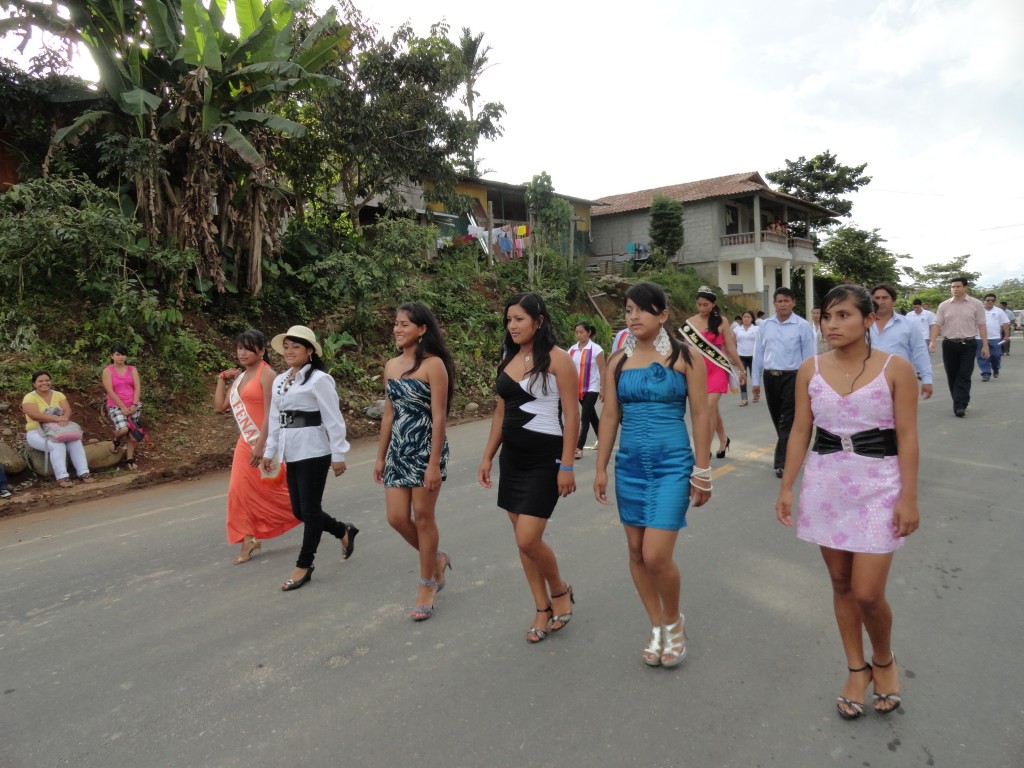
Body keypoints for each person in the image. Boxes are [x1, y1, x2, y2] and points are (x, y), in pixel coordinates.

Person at [776, 284, 919, 720]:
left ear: (867, 319)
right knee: (840, 584)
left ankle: (884, 660)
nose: (833, 325)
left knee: (868, 593)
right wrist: (787, 485)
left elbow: (909, 436)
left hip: (880, 485)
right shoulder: (809, 369)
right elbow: (801, 429)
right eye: (827, 318)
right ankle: (856, 669)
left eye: (843, 316)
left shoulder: (896, 369)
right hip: (826, 484)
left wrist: (909, 497)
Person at [594, 282, 712, 667]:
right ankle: (657, 626)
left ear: (662, 315)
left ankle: (674, 620)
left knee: (656, 555)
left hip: (672, 464)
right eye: (628, 310)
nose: (633, 317)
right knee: (634, 551)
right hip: (629, 465)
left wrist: (703, 469)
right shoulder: (616, 361)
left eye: (642, 310)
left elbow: (700, 414)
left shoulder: (686, 357)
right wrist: (600, 468)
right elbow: (610, 415)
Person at [478, 293, 579, 644]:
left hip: (544, 460)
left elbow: (572, 415)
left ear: (538, 321)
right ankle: (541, 607)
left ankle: (560, 590)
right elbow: (501, 413)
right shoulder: (508, 358)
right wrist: (489, 455)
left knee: (528, 538)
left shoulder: (558, 359)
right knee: (524, 544)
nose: (512, 325)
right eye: (509, 320)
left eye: (519, 319)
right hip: (513, 462)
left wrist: (567, 464)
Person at [262, 325, 358, 592]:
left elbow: (333, 419)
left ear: (310, 351)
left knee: (311, 510)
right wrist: (270, 451)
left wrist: (338, 454)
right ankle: (342, 531)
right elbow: (274, 419)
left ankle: (304, 564)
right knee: (299, 511)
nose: (290, 351)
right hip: (291, 449)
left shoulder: (319, 379)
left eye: (296, 346)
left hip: (315, 450)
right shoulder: (280, 380)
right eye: (287, 347)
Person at [374, 303, 454, 621]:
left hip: (425, 450)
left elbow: (439, 416)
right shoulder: (392, 366)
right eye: (395, 324)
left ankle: (426, 586)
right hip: (399, 450)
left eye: (404, 324)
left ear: (421, 329)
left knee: (423, 517)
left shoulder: (434, 365)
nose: (397, 329)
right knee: (396, 517)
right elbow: (389, 414)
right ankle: (436, 559)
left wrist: (434, 463)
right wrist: (380, 456)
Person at [213, 329, 300, 564]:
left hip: (265, 442)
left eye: (248, 348)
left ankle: (316, 516)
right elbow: (220, 406)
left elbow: (273, 413)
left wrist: (262, 446)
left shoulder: (267, 375)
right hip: (245, 444)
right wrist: (222, 380)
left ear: (261, 351)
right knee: (238, 492)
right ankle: (248, 538)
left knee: (276, 491)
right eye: (239, 348)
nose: (242, 353)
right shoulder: (241, 377)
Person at [751, 288, 816, 477]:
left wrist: (809, 383)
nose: (783, 304)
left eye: (786, 301)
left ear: (793, 302)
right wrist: (755, 380)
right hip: (770, 377)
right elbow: (759, 353)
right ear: (774, 304)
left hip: (793, 377)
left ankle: (783, 463)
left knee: (786, 421)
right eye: (779, 301)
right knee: (777, 418)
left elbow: (808, 357)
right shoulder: (765, 325)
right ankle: (793, 451)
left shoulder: (802, 326)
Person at [680, 286, 745, 458]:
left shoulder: (721, 321)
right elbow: (684, 349)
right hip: (698, 370)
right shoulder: (689, 323)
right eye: (699, 304)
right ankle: (723, 439)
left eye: (706, 305)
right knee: (712, 409)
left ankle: (704, 447)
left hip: (717, 368)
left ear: (713, 304)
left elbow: (730, 347)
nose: (702, 308)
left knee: (708, 407)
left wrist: (741, 368)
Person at [22, 371, 94, 488]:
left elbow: (67, 410)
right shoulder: (29, 397)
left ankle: (84, 472)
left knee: (75, 441)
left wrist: (64, 418)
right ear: (34, 384)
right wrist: (56, 418)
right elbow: (34, 415)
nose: (44, 383)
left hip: (60, 430)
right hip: (37, 432)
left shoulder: (58, 395)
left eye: (47, 380)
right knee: (57, 445)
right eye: (40, 381)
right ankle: (62, 477)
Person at [929, 276, 988, 417]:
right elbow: (937, 324)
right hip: (949, 344)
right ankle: (960, 400)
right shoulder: (944, 305)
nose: (954, 289)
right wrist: (932, 341)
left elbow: (981, 324)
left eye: (958, 286)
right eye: (952, 287)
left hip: (969, 344)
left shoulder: (976, 304)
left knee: (964, 374)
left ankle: (959, 405)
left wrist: (985, 345)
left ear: (965, 287)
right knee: (952, 375)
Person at [869, 284, 933, 399]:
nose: (880, 302)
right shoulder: (861, 325)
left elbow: (920, 352)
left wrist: (927, 379)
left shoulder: (908, 325)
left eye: (885, 298)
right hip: (867, 380)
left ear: (893, 300)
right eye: (877, 298)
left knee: (901, 415)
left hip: (899, 380)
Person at [102, 344, 143, 470]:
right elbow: (110, 391)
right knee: (124, 429)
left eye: (123, 354)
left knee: (132, 434)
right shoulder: (108, 371)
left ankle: (129, 459)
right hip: (116, 405)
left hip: (133, 405)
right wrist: (122, 407)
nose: (120, 357)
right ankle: (116, 441)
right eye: (117, 354)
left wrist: (135, 404)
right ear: (112, 356)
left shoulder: (132, 369)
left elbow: (137, 387)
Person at [568, 321, 605, 459]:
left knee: (584, 417)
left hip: (592, 387)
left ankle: (579, 447)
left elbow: (603, 369)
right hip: (577, 388)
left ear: (589, 333)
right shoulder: (572, 350)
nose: (579, 335)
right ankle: (602, 438)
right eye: (577, 332)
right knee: (591, 415)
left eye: (581, 332)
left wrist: (603, 388)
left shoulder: (596, 349)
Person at [976, 294, 1009, 381]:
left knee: (996, 355)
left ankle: (995, 368)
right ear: (984, 301)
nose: (990, 302)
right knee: (982, 356)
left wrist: (1006, 335)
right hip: (979, 338)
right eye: (988, 300)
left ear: (995, 301)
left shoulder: (999, 311)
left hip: (995, 338)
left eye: (992, 300)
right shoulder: (978, 311)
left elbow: (1005, 323)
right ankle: (986, 373)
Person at [733, 310, 759, 405]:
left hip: (754, 357)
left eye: (748, 317)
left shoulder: (757, 329)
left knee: (754, 377)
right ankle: (744, 398)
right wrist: (733, 358)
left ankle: (756, 394)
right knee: (742, 377)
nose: (746, 319)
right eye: (744, 317)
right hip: (741, 357)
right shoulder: (737, 329)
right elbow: (733, 344)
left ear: (752, 319)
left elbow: (761, 343)